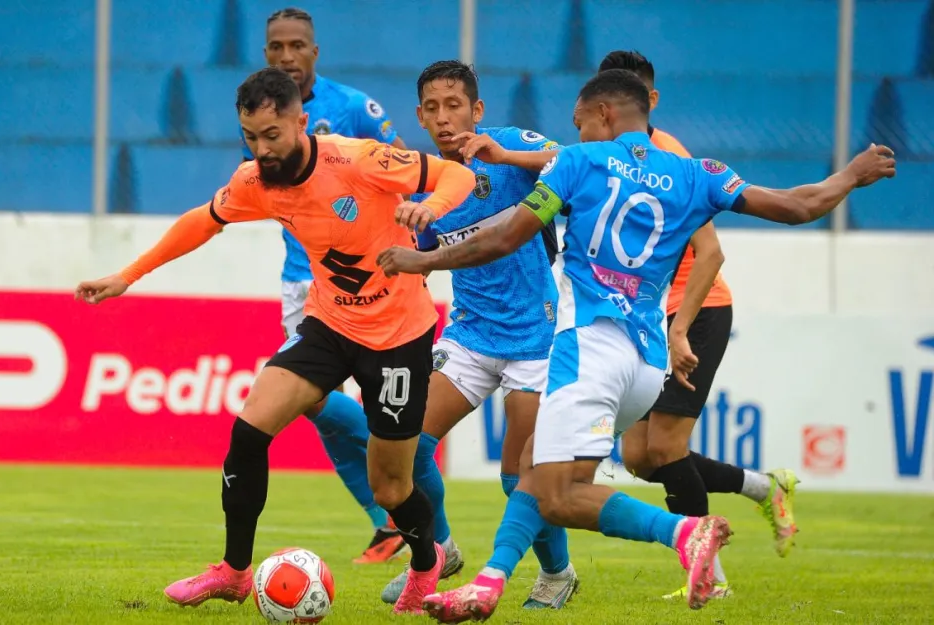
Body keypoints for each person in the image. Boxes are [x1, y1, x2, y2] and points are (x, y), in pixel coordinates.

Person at [377, 69, 896, 620]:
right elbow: (798, 206)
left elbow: (506, 237)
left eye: (579, 123)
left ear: (602, 115)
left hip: (588, 353)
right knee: (535, 475)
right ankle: (488, 583)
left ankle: (683, 531)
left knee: (551, 491)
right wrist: (850, 176)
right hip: (646, 367)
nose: (575, 135)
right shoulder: (700, 174)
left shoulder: (580, 163)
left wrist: (425, 259)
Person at [75, 67, 478, 614]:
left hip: (398, 336)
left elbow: (455, 175)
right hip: (330, 325)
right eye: (250, 137)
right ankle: (235, 571)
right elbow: (204, 219)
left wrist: (428, 207)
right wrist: (130, 274)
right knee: (249, 429)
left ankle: (427, 561)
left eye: (272, 135)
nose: (262, 149)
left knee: (390, 488)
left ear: (300, 122)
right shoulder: (256, 181)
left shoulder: (359, 159)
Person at [598, 50, 799, 600]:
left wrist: (679, 326)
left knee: (664, 448)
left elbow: (710, 253)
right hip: (651, 316)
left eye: (633, 96)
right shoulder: (603, 151)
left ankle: (712, 578)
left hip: (695, 309)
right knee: (639, 459)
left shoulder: (668, 156)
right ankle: (764, 486)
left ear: (649, 101)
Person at [379, 60, 577, 611]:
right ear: (419, 116)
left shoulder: (509, 146)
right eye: (433, 109)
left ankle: (557, 573)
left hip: (537, 334)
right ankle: (440, 550)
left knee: (519, 478)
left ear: (476, 110)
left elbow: (578, 162)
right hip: (469, 334)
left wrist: (506, 156)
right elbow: (412, 251)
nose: (444, 119)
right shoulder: (419, 178)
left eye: (454, 106)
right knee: (408, 448)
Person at [246, 7, 414, 564]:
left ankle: (397, 465)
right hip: (303, 282)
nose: (286, 56)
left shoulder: (354, 108)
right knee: (317, 409)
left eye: (297, 46)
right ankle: (384, 517)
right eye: (276, 47)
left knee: (317, 403)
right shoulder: (259, 112)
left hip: (371, 284)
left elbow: (406, 174)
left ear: (315, 51)